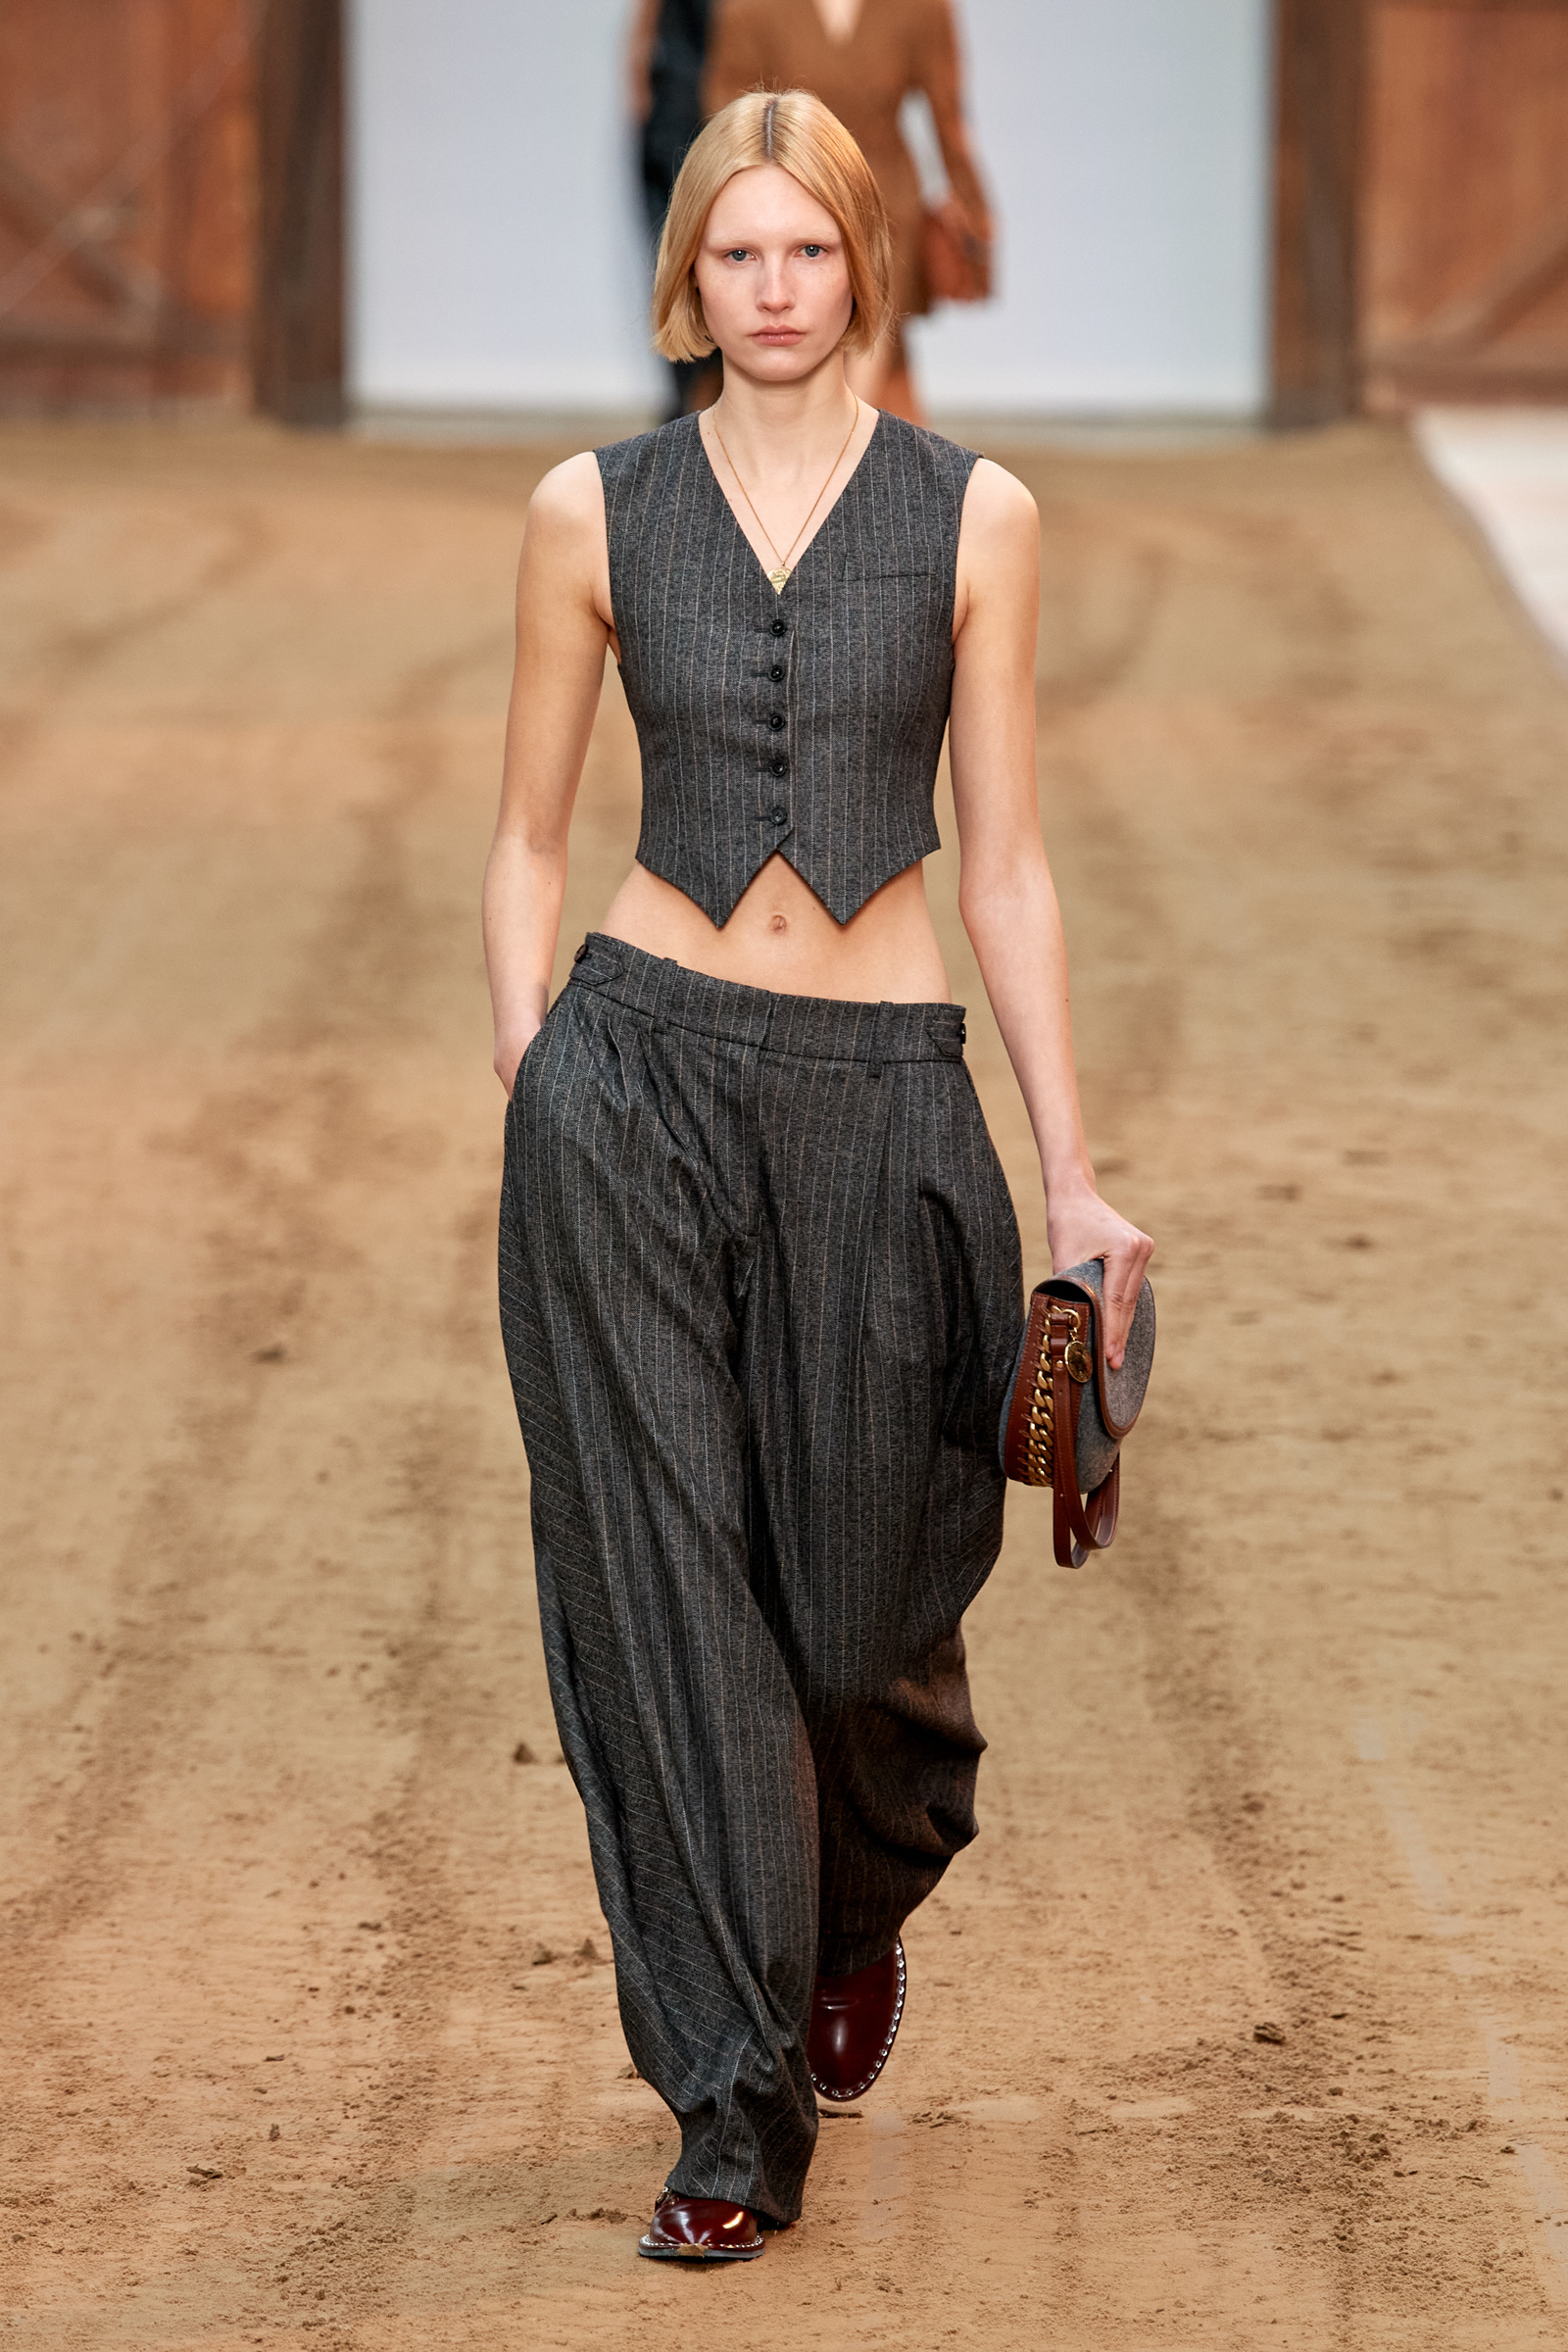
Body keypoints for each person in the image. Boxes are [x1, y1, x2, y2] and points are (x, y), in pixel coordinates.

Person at [484, 89, 1151, 2261]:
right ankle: (729, 2104)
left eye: (808, 250)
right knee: (666, 1591)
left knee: (865, 1612)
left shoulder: (976, 517)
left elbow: (1010, 867)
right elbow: (522, 839)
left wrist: (1071, 1177)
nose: (773, 290)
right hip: (632, 1083)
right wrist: (533, 1076)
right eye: (735, 252)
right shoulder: (588, 511)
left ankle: (854, 1895)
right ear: (686, 274)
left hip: (879, 1090)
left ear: (865, 264)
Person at [702, 0, 991, 423]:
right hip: (794, 192)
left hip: (886, 194)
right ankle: (828, 439)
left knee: (875, 319)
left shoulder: (920, 7)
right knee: (807, 320)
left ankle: (844, 439)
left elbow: (948, 113)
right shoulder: (753, 8)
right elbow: (727, 116)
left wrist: (973, 213)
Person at [628, 0, 723, 416]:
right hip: (677, 118)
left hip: (727, 115)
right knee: (675, 261)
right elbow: (644, 31)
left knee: (734, 257)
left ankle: (709, 399)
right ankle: (690, 401)